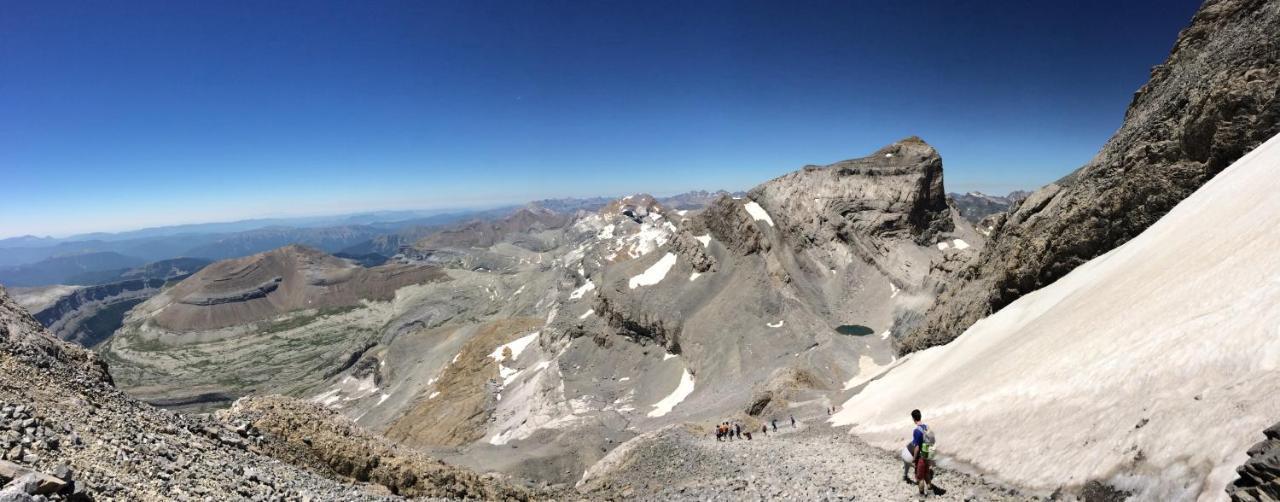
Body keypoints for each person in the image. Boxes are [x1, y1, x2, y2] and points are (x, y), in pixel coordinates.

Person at [908, 409, 935, 495]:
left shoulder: (917, 431)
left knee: (920, 477)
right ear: (920, 416)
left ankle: (921, 496)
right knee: (927, 473)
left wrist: (914, 458)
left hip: (920, 457)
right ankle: (931, 493)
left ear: (913, 419)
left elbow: (917, 447)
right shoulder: (927, 427)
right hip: (928, 455)